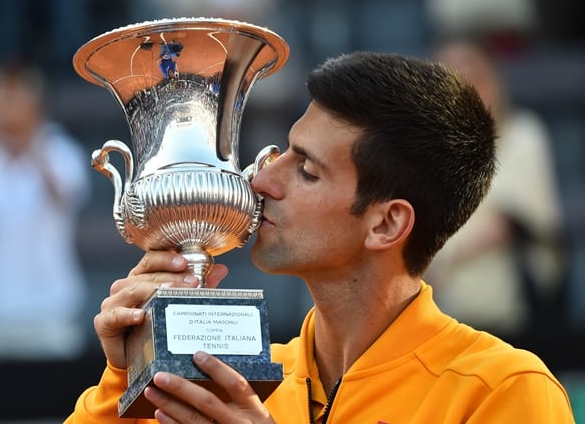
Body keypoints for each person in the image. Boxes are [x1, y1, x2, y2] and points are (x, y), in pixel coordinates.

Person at [65, 52, 574, 422]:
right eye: (285, 151)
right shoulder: (232, 378)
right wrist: (129, 376)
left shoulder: (503, 392)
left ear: (386, 224)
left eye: (306, 169)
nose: (262, 179)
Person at [0, 60, 91, 362]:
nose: (7, 110)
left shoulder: (60, 150)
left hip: (50, 312)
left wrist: (29, 140)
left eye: (16, 100)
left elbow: (65, 196)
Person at [427, 39, 565, 336]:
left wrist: (440, 260)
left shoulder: (524, 134)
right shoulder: (424, 153)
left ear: (493, 79)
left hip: (515, 309)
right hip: (445, 313)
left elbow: (507, 223)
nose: (468, 94)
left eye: (474, 79)